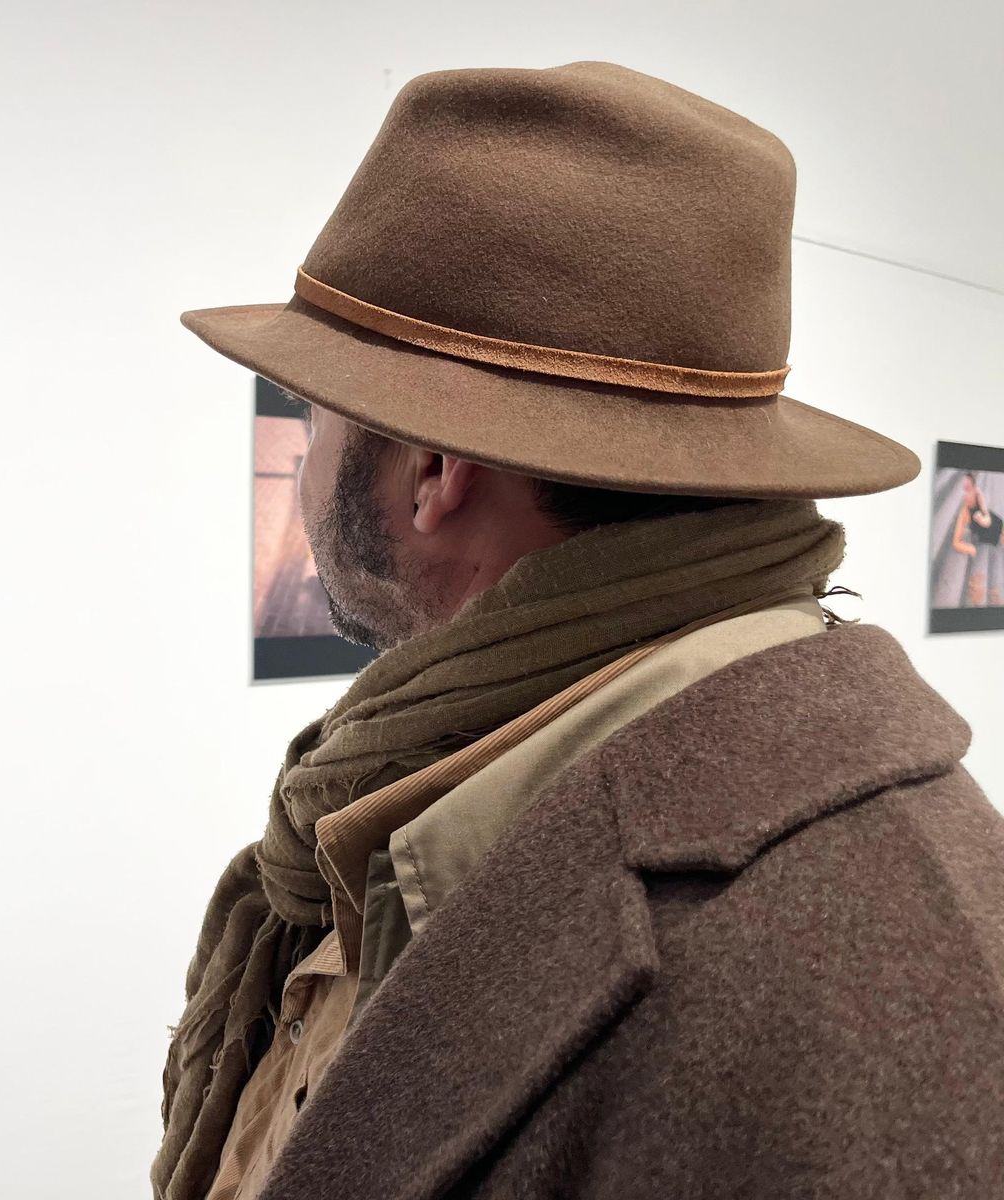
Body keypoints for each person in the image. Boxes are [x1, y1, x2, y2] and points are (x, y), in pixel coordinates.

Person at [154, 63, 1004, 1200]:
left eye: (315, 417)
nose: (304, 464)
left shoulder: (859, 970)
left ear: (431, 473)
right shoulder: (452, 791)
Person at [951, 471, 1004, 607]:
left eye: (967, 489)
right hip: (990, 537)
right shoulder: (964, 512)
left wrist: (983, 519)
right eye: (961, 490)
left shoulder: (979, 495)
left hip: (996, 525)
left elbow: (987, 517)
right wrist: (970, 548)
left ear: (974, 488)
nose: (964, 494)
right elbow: (956, 542)